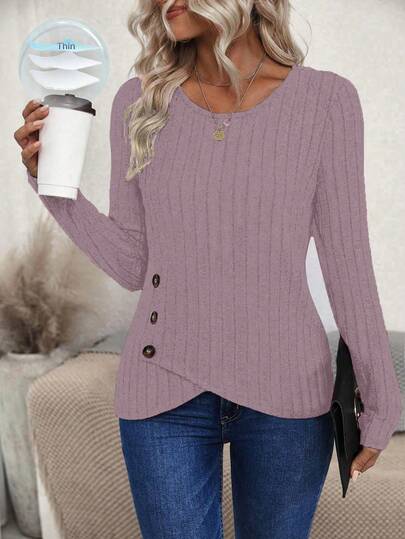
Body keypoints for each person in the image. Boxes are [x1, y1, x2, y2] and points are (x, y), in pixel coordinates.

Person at [14, 1, 401, 538]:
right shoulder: (140, 102)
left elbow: (349, 266)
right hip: (163, 390)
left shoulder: (326, 101)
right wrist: (53, 186)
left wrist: (381, 398)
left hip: (288, 390)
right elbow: (132, 264)